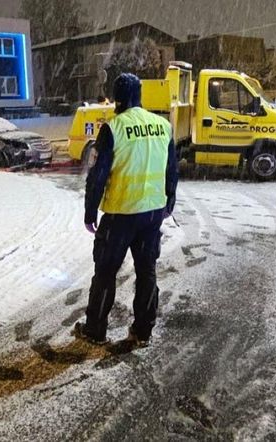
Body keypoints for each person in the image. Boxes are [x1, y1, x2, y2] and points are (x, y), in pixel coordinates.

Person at [73, 73, 178, 347]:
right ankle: (142, 331)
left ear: (117, 98)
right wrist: (169, 201)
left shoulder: (114, 128)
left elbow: (97, 175)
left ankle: (95, 330)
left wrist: (90, 212)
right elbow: (172, 170)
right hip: (152, 214)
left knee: (106, 272)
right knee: (147, 271)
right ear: (140, 96)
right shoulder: (163, 126)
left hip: (121, 215)